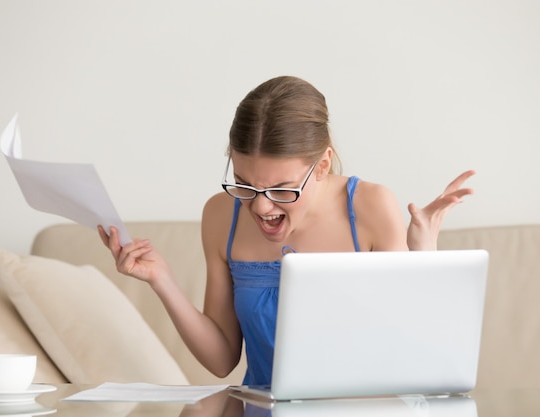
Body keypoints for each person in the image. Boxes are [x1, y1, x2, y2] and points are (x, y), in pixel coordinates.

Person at [99, 75, 474, 386]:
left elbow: (414, 353)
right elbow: (222, 360)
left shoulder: (371, 208)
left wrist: (423, 257)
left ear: (323, 164)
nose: (261, 206)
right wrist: (162, 280)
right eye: (245, 184)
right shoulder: (220, 215)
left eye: (282, 189)